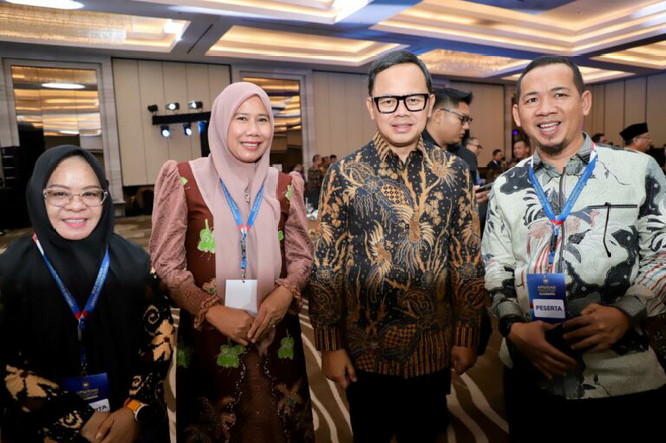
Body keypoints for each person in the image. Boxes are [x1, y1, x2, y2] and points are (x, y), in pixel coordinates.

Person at [483, 55, 666, 442]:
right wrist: (512, 327)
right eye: (532, 99)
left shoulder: (637, 170)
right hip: (529, 373)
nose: (545, 108)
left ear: (584, 102)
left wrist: (626, 312)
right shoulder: (505, 186)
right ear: (518, 114)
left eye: (559, 94)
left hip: (620, 376)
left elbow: (662, 255)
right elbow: (496, 265)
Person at [309, 49, 487, 442]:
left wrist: (467, 333)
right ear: (371, 106)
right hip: (364, 350)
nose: (401, 111)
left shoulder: (455, 172)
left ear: (429, 104)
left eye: (413, 99)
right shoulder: (344, 173)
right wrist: (329, 345)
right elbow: (326, 266)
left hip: (433, 347)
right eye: (388, 100)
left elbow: (466, 260)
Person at [150, 82, 314, 442]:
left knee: (276, 424)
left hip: (276, 331)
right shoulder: (183, 178)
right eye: (241, 118)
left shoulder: (285, 184)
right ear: (221, 122)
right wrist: (210, 310)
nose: (253, 130)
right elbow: (166, 264)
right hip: (210, 337)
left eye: (262, 119)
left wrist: (285, 293)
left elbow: (302, 256)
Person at [0, 145, 174, 442]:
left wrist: (134, 410)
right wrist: (81, 420)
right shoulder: (9, 271)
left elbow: (160, 337)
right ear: (38, 195)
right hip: (41, 428)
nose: (76, 205)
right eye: (59, 193)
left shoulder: (134, 262)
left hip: (129, 427)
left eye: (90, 193)